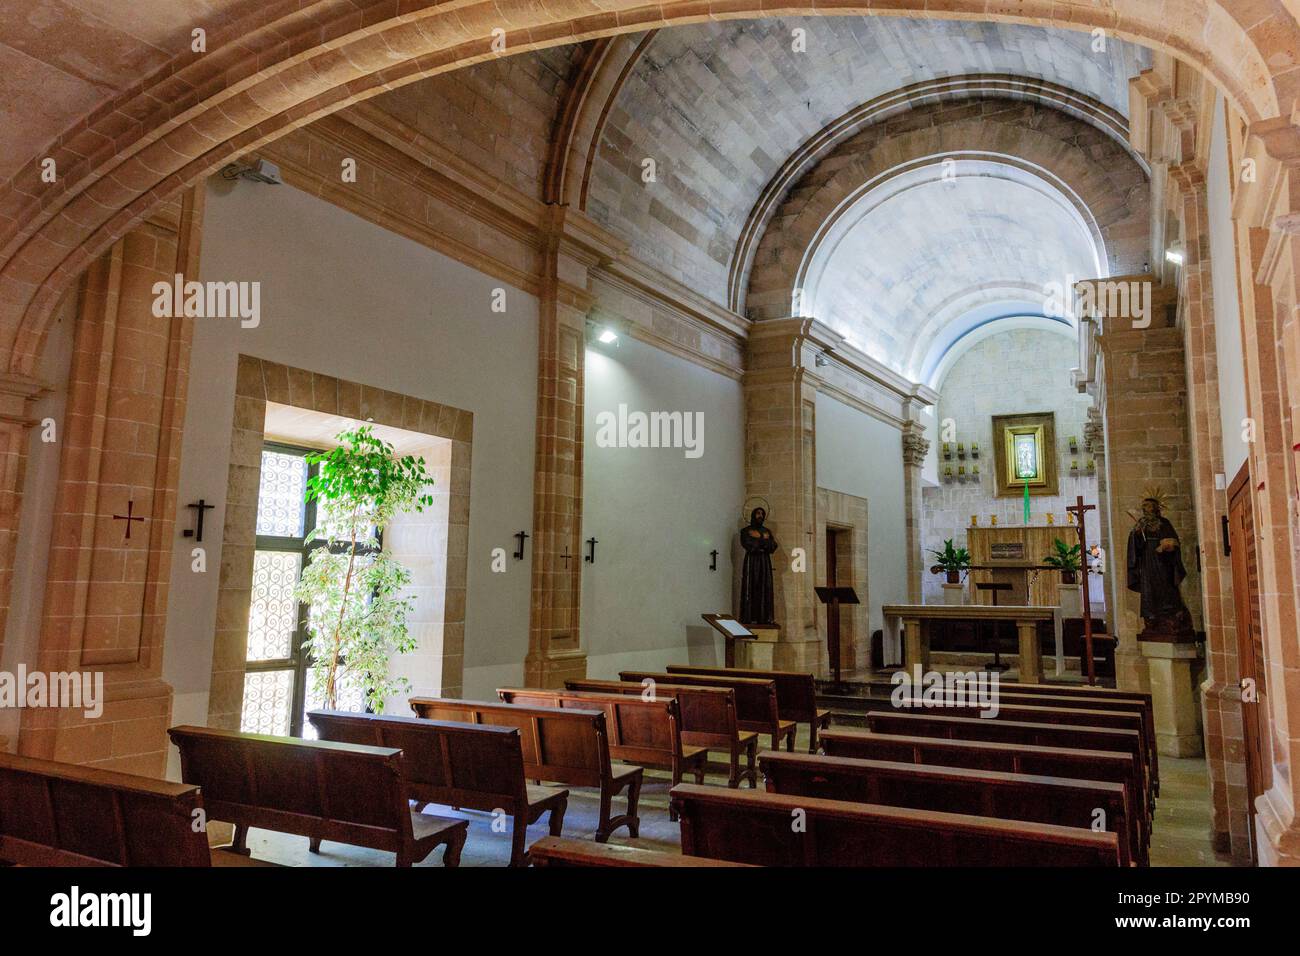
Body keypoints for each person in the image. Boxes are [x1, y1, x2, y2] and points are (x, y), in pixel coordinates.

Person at [739, 507, 778, 625]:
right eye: (758, 513)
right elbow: (749, 545)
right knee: (751, 587)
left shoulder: (767, 531)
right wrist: (763, 540)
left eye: (762, 513)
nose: (760, 515)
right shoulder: (745, 531)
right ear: (753, 515)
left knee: (765, 588)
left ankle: (765, 617)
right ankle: (749, 617)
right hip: (751, 562)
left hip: (764, 563)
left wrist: (759, 538)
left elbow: (773, 546)